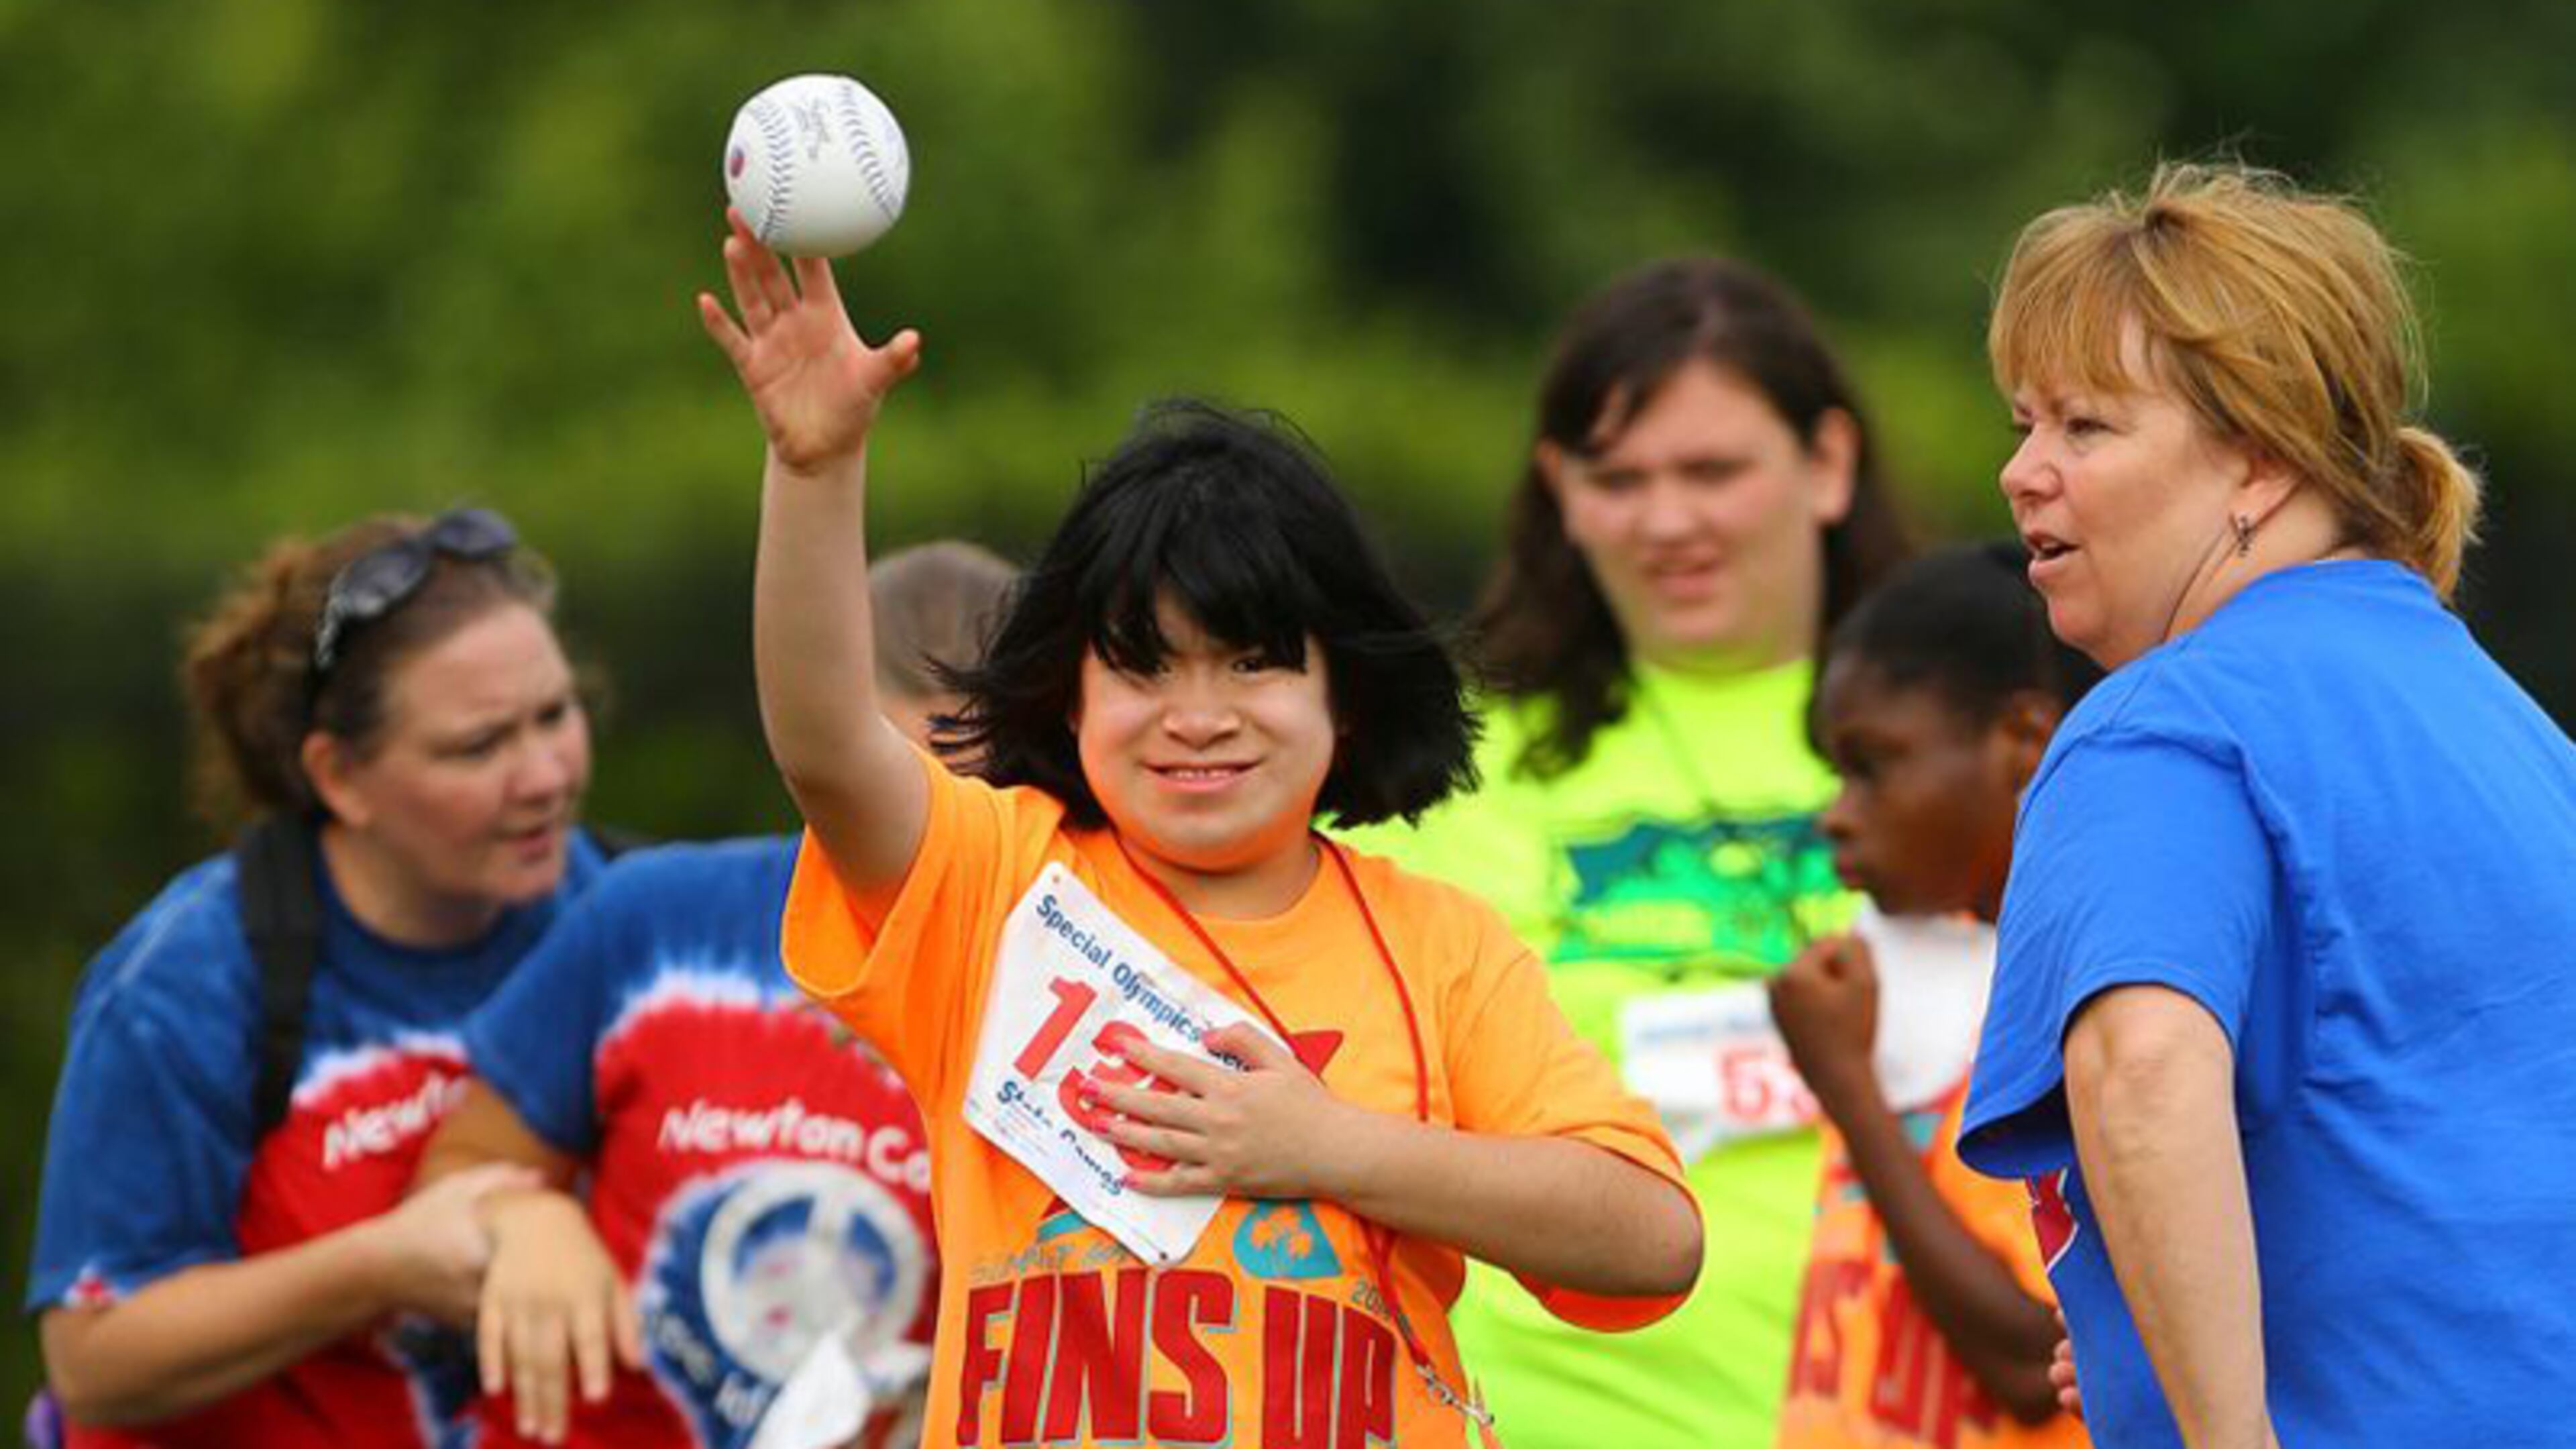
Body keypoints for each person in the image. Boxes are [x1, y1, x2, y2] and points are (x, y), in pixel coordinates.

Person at [694, 214, 1705, 1449]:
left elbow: (1651, 1241)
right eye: (1143, 668)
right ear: (1069, 696)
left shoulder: (1442, 943)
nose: (1200, 718)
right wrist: (812, 470)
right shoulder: (993, 880)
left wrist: (1323, 1145)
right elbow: (824, 747)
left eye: (1255, 662)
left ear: (1347, 690)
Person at [1955, 163, 2576, 1448]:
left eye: (2085, 427)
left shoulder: (2159, 725)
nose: (2021, 472)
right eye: (2023, 422)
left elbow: (2141, 1072)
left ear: (2259, 458)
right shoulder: (2508, 723)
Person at [1356, 256, 1912, 1448]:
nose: (1669, 522)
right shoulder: (1443, 765)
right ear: (1559, 487)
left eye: (1713, 471)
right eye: (1619, 478)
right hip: (1540, 1415)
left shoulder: (1985, 739)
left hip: (1928, 1406)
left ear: (1828, 463)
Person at [413, 540, 1016, 1449]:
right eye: (903, 775)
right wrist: (521, 1216)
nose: (936, 831)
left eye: (994, 786)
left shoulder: (1084, 981)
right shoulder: (656, 921)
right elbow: (455, 1170)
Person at [25, 508, 608, 1448]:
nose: (544, 775)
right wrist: (379, 1267)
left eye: (554, 715)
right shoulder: (184, 983)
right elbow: (95, 1361)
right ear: (339, 778)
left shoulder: (625, 919)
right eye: (479, 746)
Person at [1766, 543, 2096, 1449]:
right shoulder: (1905, 986)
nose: (1836, 811)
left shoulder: (2084, 1004)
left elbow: (2035, 1362)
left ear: (2022, 742)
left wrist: (1849, 1094)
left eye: (1872, 765)